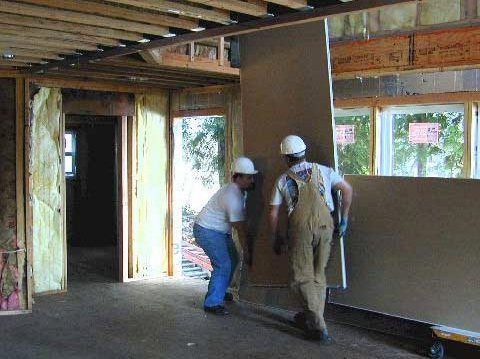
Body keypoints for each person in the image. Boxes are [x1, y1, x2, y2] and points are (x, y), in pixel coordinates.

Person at [269, 135, 353, 342]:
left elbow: (273, 213)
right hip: (326, 226)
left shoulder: (283, 180)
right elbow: (347, 190)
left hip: (300, 230)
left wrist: (277, 236)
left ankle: (318, 326)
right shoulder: (325, 171)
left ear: (286, 158)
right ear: (304, 152)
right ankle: (312, 316)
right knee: (318, 275)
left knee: (301, 276)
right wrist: (344, 219)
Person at [193, 157, 257, 316]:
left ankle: (219, 291)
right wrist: (247, 252)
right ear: (239, 177)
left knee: (232, 259)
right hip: (207, 230)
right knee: (223, 264)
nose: (252, 180)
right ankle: (212, 303)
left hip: (218, 231)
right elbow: (240, 229)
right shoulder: (232, 196)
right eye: (249, 177)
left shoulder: (237, 191)